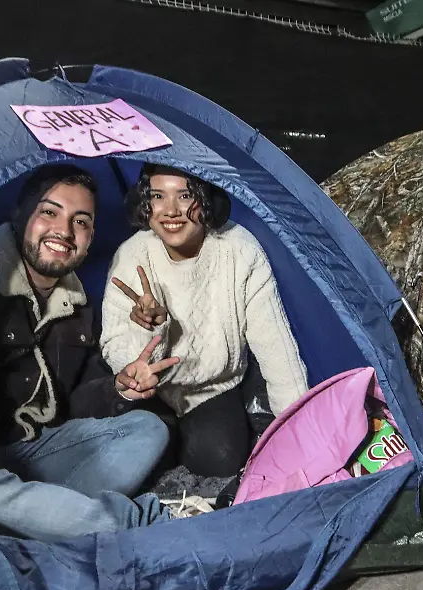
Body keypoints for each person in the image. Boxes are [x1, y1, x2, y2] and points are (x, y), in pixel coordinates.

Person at [0, 164, 178, 542]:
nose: (64, 232)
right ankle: (132, 525)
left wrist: (119, 389)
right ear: (19, 215)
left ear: (91, 235)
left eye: (80, 221)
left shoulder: (78, 308)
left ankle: (39, 519)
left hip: (41, 453)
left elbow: (75, 405)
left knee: (148, 429)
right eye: (49, 212)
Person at [100, 164, 309, 478]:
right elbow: (119, 354)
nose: (170, 211)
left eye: (184, 195)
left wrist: (302, 435)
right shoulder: (132, 256)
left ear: (206, 198)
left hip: (214, 386)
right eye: (157, 196)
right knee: (139, 460)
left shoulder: (238, 250)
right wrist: (149, 328)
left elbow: (276, 347)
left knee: (221, 457)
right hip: (152, 396)